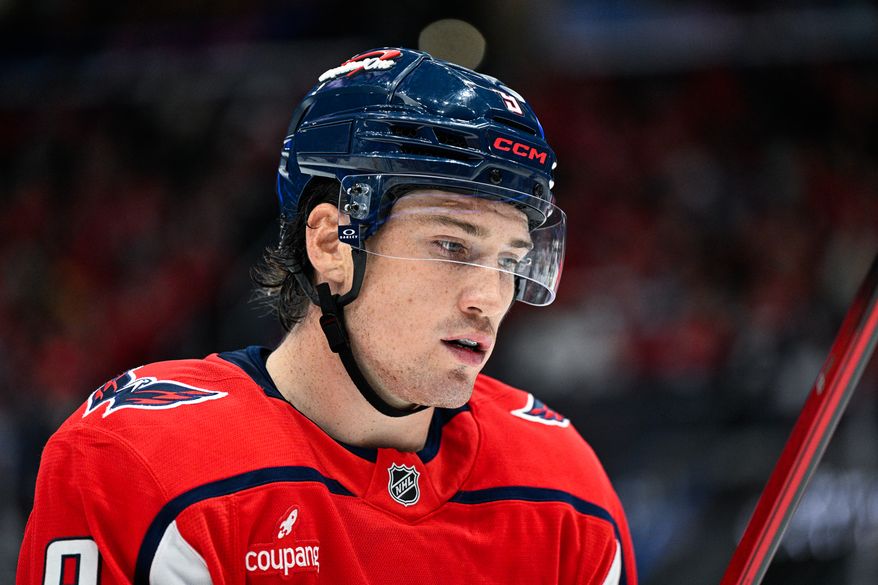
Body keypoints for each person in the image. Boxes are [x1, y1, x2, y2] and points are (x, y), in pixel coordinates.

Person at [18, 47, 637, 584]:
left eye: (510, 259)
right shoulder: (138, 465)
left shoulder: (563, 488)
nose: (489, 297)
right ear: (330, 244)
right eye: (453, 247)